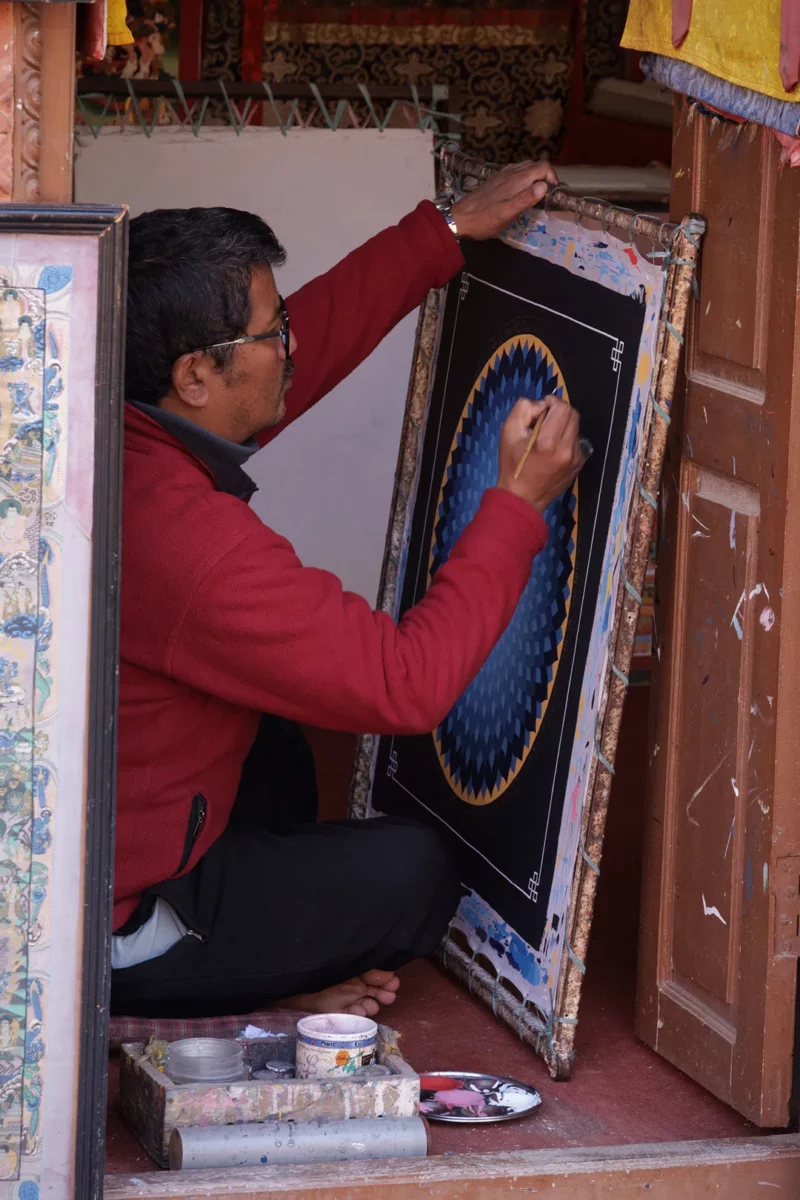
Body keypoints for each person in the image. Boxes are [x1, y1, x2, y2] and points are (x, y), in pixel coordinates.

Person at [110, 161, 585, 1020]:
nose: (292, 343)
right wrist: (516, 507)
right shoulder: (189, 546)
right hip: (119, 927)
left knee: (277, 737)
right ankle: (189, 992)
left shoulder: (120, 423)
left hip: (125, 837)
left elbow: (295, 360)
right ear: (194, 377)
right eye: (272, 330)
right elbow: (403, 685)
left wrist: (437, 236)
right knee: (413, 873)